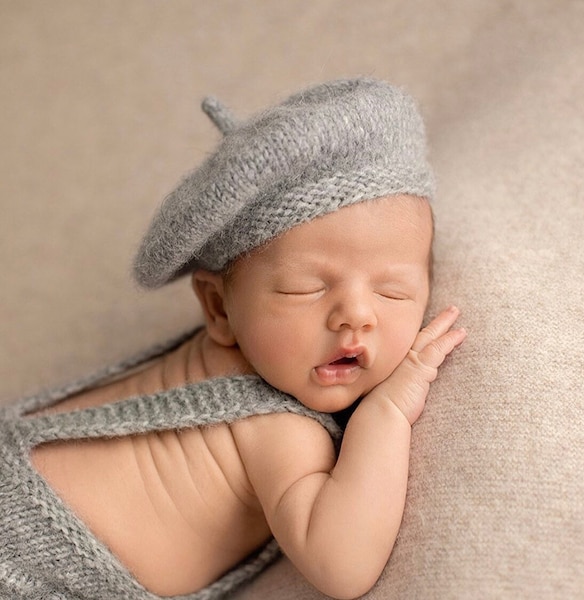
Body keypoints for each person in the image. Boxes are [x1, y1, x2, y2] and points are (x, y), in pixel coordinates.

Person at [0, 78, 465, 600]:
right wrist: (387, 415)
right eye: (305, 288)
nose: (355, 316)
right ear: (219, 309)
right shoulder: (279, 426)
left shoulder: (234, 360)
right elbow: (343, 564)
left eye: (392, 292)